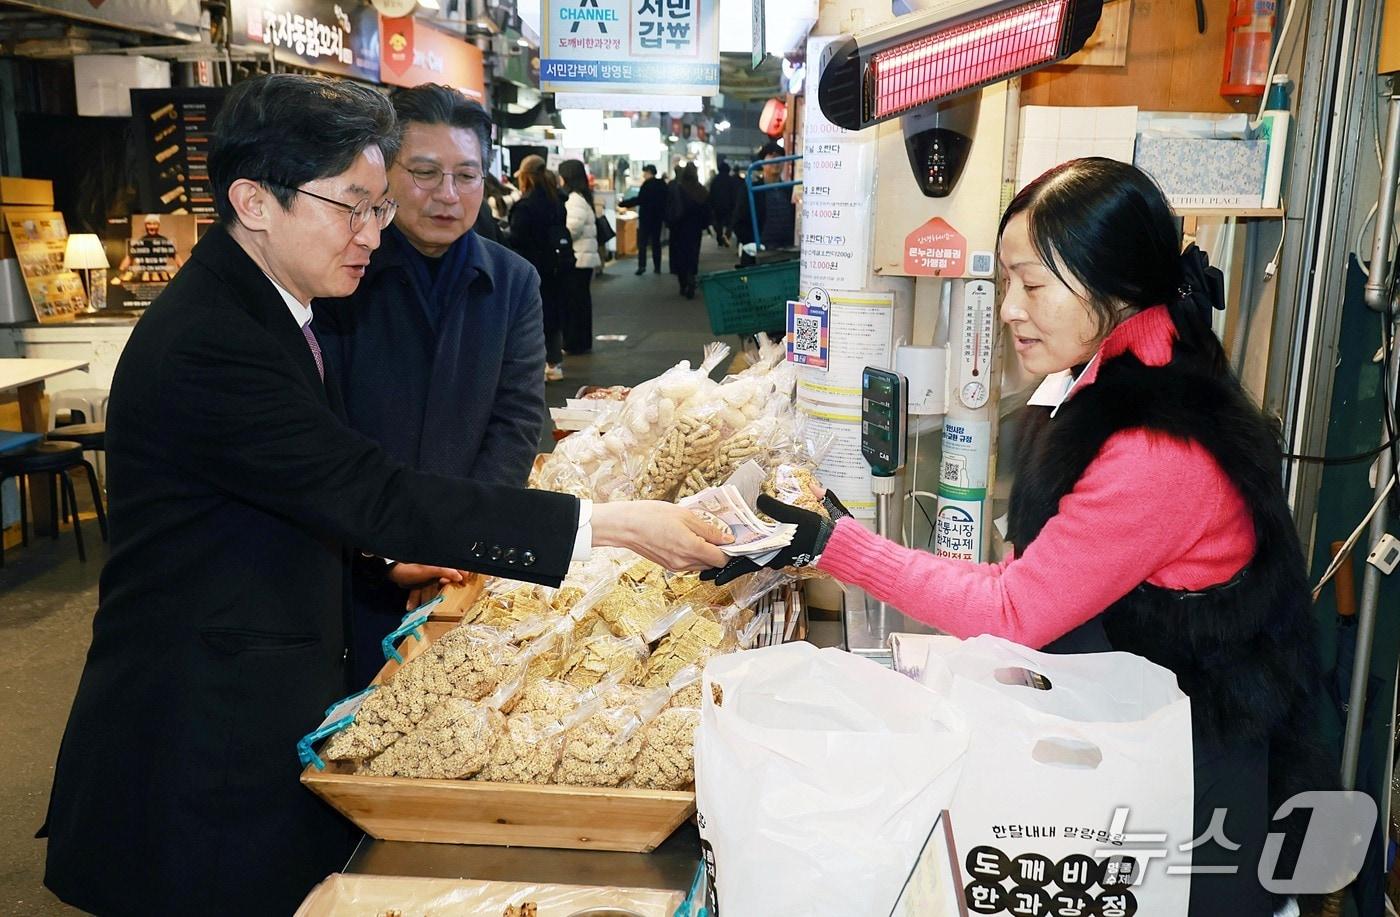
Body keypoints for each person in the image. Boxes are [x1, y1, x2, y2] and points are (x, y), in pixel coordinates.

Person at [40, 73, 731, 917]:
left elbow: (318, 487)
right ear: (254, 202)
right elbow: (366, 488)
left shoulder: (270, 304)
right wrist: (611, 524)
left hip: (259, 689)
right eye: (353, 207)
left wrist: (391, 551)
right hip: (197, 736)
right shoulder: (213, 340)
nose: (373, 232)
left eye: (377, 206)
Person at [706, 158, 1329, 915]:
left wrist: (834, 544)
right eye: (1006, 283)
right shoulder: (1128, 372)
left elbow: (1014, 608)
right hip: (1134, 748)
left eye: (1032, 285)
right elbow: (1040, 573)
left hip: (1185, 793)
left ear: (1113, 285)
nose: (1007, 309)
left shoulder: (1157, 447)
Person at [313, 84, 548, 686]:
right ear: (383, 174)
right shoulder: (340, 274)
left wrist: (457, 542)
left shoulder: (513, 280)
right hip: (349, 557)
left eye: (466, 175)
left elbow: (518, 420)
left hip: (459, 562)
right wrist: (388, 549)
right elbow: (322, 428)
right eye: (424, 173)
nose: (448, 194)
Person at [508, 154, 569, 381]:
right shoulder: (556, 200)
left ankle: (536, 365)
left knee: (531, 316)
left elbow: (518, 237)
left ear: (526, 176)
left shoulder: (525, 205)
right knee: (552, 314)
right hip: (555, 265)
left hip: (531, 265)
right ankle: (554, 362)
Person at [559, 158, 600, 355]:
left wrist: (559, 234)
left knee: (575, 303)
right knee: (581, 303)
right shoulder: (582, 197)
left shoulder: (574, 199)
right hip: (584, 258)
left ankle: (574, 343)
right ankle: (581, 342)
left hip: (578, 258)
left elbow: (573, 228)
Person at [731, 142, 795, 268]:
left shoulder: (790, 189)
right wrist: (749, 243)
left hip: (786, 253)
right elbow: (738, 221)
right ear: (762, 162)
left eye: (780, 157)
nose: (777, 161)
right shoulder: (751, 189)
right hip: (760, 254)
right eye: (772, 156)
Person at [666, 162, 709, 299]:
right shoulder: (701, 190)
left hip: (678, 228)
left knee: (680, 255)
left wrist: (670, 222)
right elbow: (707, 210)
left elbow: (670, 207)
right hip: (694, 229)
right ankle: (691, 277)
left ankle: (683, 283)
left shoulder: (678, 188)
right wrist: (704, 225)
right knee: (692, 254)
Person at [634, 163, 667, 275]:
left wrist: (624, 204)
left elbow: (640, 200)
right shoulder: (662, 184)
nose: (643, 175)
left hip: (646, 218)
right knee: (656, 242)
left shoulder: (646, 185)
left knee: (642, 243)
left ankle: (642, 266)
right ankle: (657, 267)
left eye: (645, 173)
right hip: (658, 218)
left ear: (649, 172)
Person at [706, 161, 740, 247]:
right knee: (729, 223)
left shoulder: (715, 180)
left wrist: (711, 205)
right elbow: (734, 193)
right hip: (729, 206)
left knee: (718, 223)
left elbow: (711, 193)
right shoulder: (731, 180)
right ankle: (727, 236)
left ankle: (719, 237)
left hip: (717, 205)